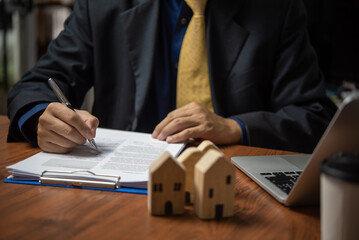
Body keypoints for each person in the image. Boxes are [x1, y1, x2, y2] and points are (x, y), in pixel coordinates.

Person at [7, 0, 337, 154]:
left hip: (234, 184)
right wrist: (41, 118)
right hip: (120, 184)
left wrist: (233, 127)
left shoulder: (278, 10)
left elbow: (314, 116)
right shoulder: (102, 5)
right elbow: (37, 85)